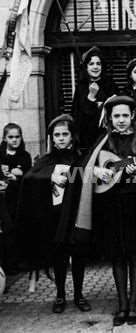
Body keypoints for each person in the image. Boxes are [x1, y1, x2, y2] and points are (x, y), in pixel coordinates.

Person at [16, 114, 90, 314]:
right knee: (59, 255)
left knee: (79, 254)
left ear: (72, 136)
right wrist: (51, 177)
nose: (61, 138)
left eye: (65, 134)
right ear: (51, 138)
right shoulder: (45, 159)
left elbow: (88, 176)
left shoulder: (82, 158)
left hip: (77, 214)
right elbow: (30, 178)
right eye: (56, 135)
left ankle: (79, 294)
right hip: (56, 215)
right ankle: (60, 294)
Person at [92, 96, 136, 326]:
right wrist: (99, 171)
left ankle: (135, 302)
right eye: (116, 116)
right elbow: (88, 166)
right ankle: (122, 302)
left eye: (125, 115)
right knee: (117, 254)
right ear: (110, 118)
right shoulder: (103, 142)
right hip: (111, 203)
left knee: (135, 253)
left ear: (133, 116)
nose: (121, 120)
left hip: (135, 203)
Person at [72, 46, 118, 153]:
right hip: (87, 140)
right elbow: (78, 116)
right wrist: (91, 96)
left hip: (108, 139)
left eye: (98, 64)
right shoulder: (81, 88)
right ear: (86, 67)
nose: (95, 67)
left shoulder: (110, 85)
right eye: (91, 64)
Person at [0, 123, 31, 273]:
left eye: (17, 137)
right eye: (11, 137)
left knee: (15, 229)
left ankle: (15, 263)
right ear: (5, 138)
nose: (14, 140)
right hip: (2, 198)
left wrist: (17, 177)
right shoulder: (0, 155)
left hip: (16, 199)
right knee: (5, 230)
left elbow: (27, 176)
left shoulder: (24, 156)